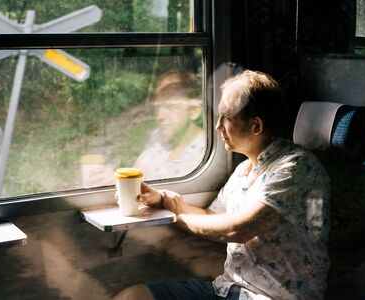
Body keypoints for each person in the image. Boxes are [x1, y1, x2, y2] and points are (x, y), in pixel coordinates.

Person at [112, 70, 331, 300]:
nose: (217, 126)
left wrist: (176, 218)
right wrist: (164, 201)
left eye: (226, 117)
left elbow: (237, 229)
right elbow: (211, 214)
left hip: (272, 296)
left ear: (256, 126)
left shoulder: (295, 169)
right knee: (134, 296)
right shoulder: (244, 169)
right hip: (228, 289)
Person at [81, 72, 205, 187]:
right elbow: (138, 176)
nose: (160, 116)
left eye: (170, 106)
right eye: (159, 107)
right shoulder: (159, 137)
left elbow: (179, 197)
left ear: (193, 111)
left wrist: (121, 183)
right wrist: (116, 179)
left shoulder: (205, 150)